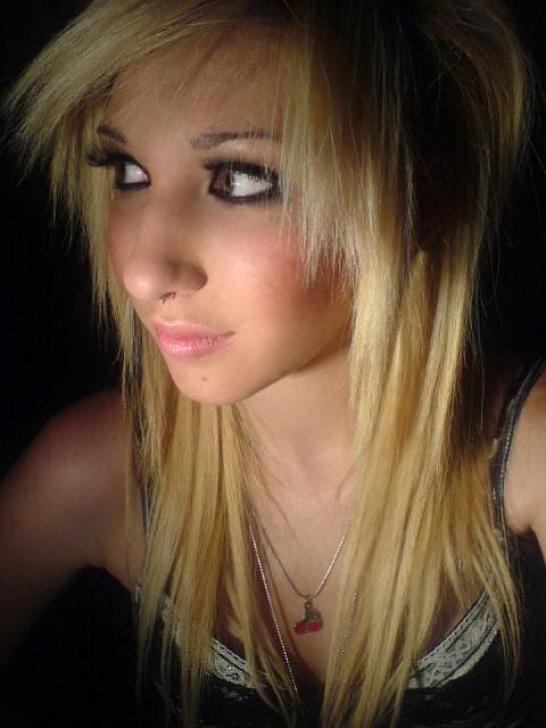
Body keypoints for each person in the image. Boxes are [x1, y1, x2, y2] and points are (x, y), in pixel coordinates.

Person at [1, 1, 545, 726]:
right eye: (128, 171)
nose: (142, 271)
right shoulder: (99, 473)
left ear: (424, 201)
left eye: (240, 180)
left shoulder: (529, 457)